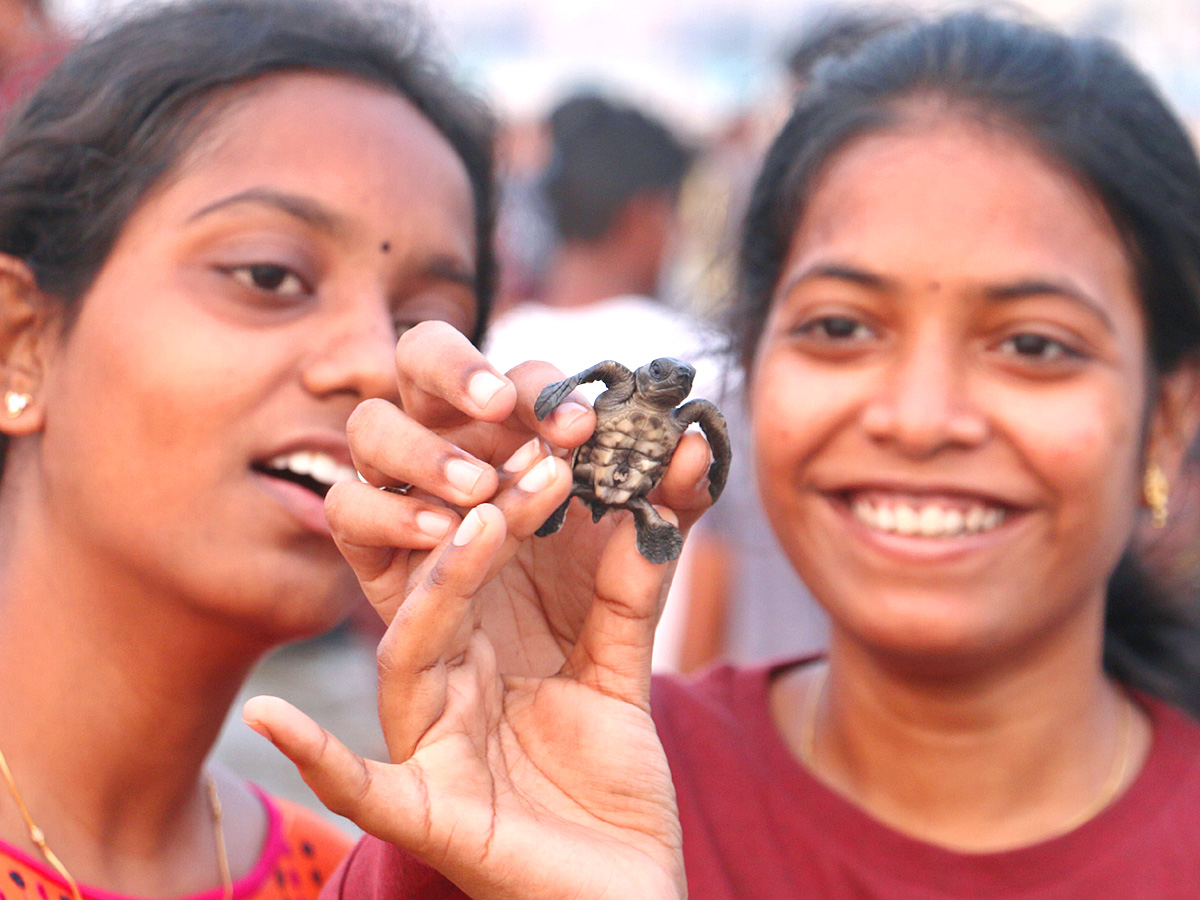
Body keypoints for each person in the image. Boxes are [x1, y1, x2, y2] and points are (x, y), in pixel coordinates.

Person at [249, 9, 1200, 899]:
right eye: (840, 325)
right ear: (753, 359)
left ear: (1169, 411)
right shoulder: (553, 774)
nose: (919, 418)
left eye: (1033, 344)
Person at [0, 0, 496, 896]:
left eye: (426, 321)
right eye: (270, 276)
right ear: (20, 342)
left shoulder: (345, 880)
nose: (378, 366)